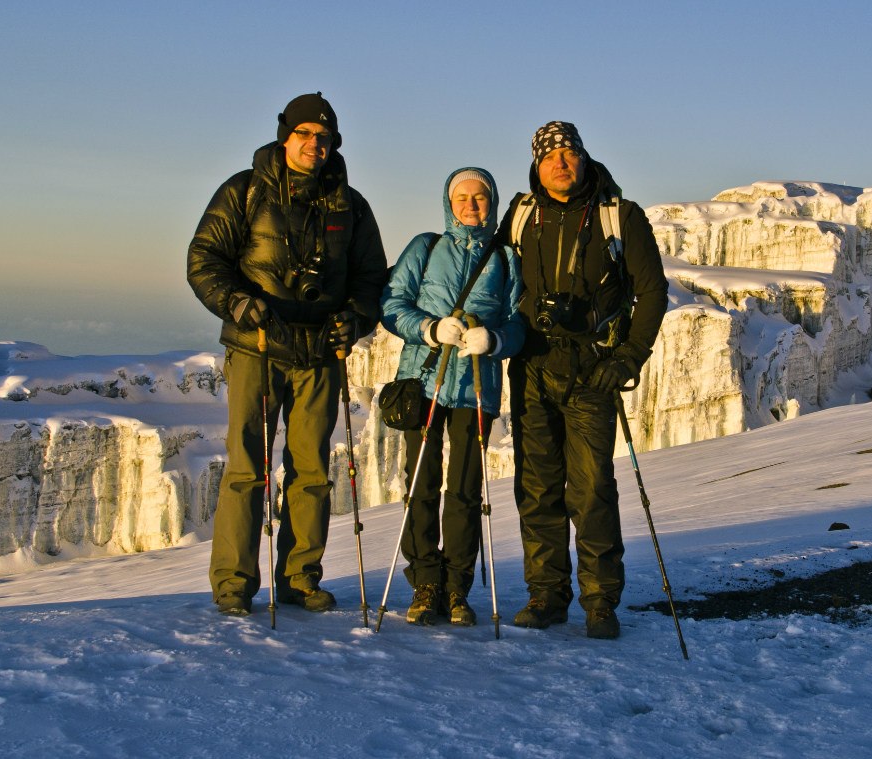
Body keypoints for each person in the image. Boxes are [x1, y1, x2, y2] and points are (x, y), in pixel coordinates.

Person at [187, 92, 388, 617]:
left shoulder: (351, 204)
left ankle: (301, 577)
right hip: (257, 346)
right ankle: (233, 583)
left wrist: (357, 319)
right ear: (285, 135)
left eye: (323, 137)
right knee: (246, 470)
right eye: (304, 134)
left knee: (311, 470)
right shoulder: (245, 191)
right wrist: (235, 302)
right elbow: (204, 258)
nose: (313, 144)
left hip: (321, 351)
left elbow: (371, 280)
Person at [496, 121, 668, 640]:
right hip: (532, 366)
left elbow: (652, 292)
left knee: (592, 489)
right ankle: (546, 594)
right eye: (550, 157)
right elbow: (493, 279)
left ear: (585, 158)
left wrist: (628, 359)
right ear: (536, 165)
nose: (561, 163)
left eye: (569, 153)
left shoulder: (622, 217)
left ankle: (599, 602)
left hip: (594, 370)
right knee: (537, 487)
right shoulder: (521, 215)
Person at [380, 167, 524, 626]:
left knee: (464, 489)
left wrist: (496, 340)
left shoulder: (506, 258)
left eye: (479, 198)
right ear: (448, 203)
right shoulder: (425, 247)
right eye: (461, 198)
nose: (470, 206)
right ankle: (425, 581)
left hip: (476, 388)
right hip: (423, 381)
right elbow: (391, 304)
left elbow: (520, 320)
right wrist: (429, 329)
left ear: (492, 202)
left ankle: (456, 585)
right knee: (421, 482)